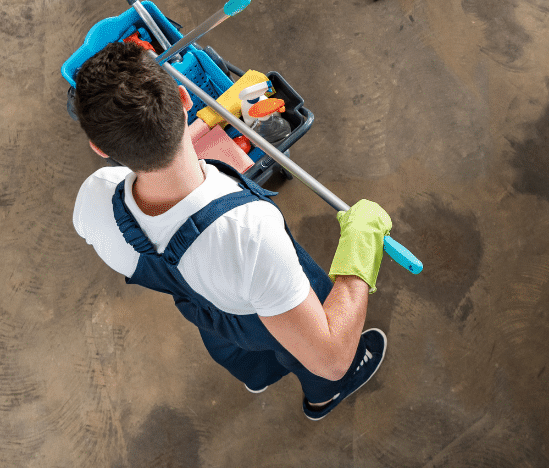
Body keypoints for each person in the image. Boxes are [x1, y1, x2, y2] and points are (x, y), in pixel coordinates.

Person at [72, 39, 390, 419]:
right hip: (255, 302)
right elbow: (331, 358)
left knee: (233, 340)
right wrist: (362, 242)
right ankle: (323, 398)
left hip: (206, 307)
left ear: (99, 148)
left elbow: (159, 206)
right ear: (185, 99)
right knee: (301, 343)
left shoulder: (95, 198)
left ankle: (258, 374)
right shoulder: (250, 235)